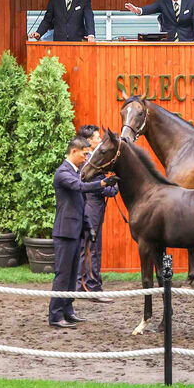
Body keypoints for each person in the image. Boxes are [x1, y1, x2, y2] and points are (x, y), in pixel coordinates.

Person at [49, 135, 112, 328]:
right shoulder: (63, 172)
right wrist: (102, 184)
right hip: (64, 233)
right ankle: (55, 315)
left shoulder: (74, 172)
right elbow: (80, 187)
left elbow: (80, 205)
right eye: (84, 154)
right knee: (63, 275)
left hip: (75, 232)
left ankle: (68, 311)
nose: (86, 158)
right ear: (74, 151)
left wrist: (89, 227)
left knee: (71, 275)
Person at [77, 125, 120, 301]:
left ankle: (80, 286)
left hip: (90, 208)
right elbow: (102, 189)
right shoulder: (90, 163)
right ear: (88, 141)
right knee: (92, 248)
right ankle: (92, 287)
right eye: (96, 138)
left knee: (87, 247)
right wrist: (114, 187)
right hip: (92, 208)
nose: (100, 140)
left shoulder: (87, 160)